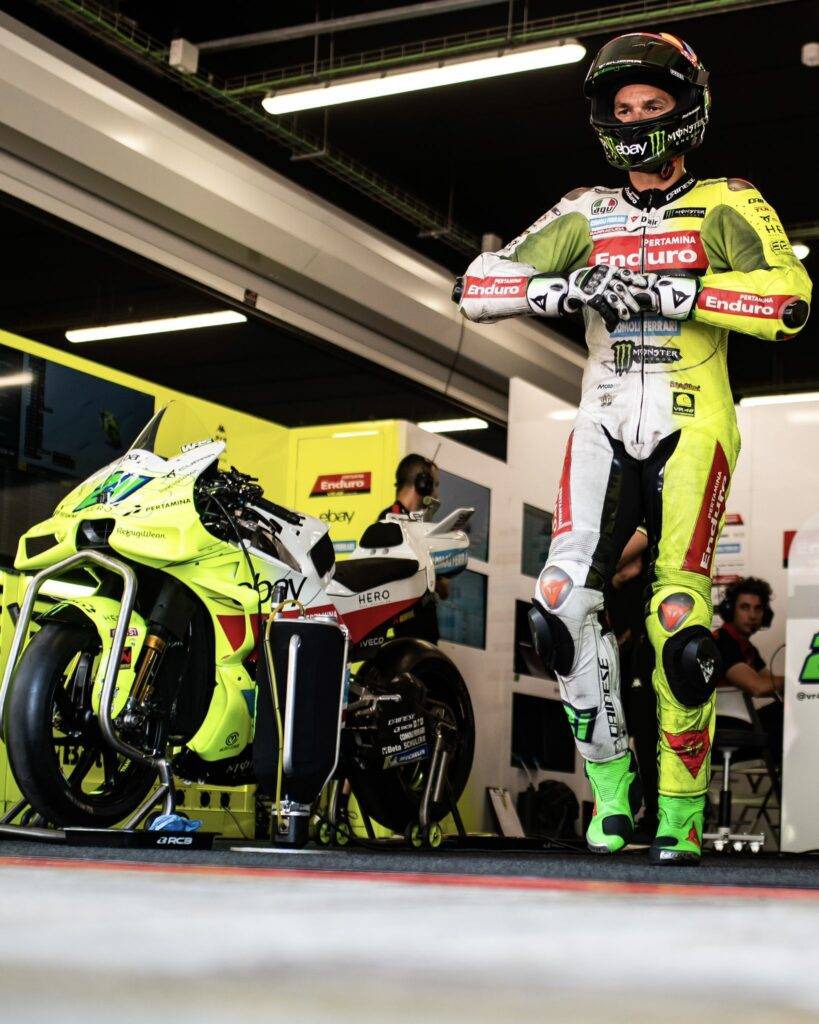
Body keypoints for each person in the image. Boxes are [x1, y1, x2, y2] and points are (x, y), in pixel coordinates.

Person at [455, 32, 812, 863]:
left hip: (695, 421)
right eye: (621, 108)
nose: (636, 119)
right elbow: (476, 287)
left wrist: (676, 291)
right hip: (602, 419)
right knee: (556, 604)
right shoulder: (584, 209)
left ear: (686, 108)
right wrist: (565, 284)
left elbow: (788, 301)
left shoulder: (726, 199)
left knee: (679, 623)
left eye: (652, 104)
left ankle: (679, 816)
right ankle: (614, 800)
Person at [371, 453, 445, 643]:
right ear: (422, 484)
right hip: (401, 635)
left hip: (426, 634)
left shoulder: (426, 526)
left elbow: (444, 589)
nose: (437, 493)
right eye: (435, 485)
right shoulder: (387, 521)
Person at [713, 577, 783, 763]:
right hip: (720, 728)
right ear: (730, 610)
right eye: (745, 607)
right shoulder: (722, 642)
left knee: (788, 711)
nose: (752, 615)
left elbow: (769, 682)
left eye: (758, 608)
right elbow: (757, 687)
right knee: (785, 718)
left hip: (738, 724)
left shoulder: (747, 647)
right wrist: (795, 680)